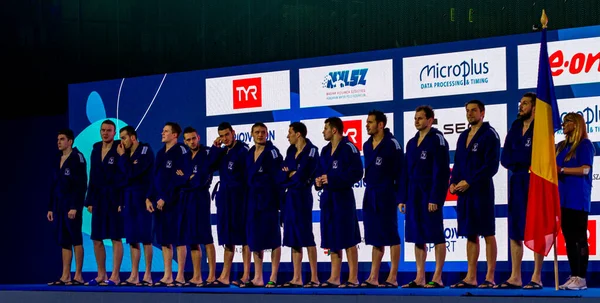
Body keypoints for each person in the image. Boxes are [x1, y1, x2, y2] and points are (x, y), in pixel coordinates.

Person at [449, 100, 500, 289]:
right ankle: (471, 276)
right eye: (467, 111)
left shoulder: (490, 134)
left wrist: (470, 181)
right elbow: (458, 164)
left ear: (482, 113)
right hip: (464, 193)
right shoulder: (463, 136)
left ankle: (490, 276)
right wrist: (453, 182)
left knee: (487, 232)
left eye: (473, 111)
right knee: (470, 234)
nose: (470, 114)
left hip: (481, 190)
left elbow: (491, 166)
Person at [400, 106, 450, 289]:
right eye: (415, 118)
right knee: (417, 236)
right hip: (413, 194)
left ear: (430, 120)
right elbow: (405, 171)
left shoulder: (437, 139)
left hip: (429, 193)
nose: (416, 121)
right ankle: (420, 277)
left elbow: (442, 171)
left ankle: (437, 277)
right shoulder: (411, 143)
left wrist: (436, 198)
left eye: (420, 118)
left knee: (436, 235)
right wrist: (402, 197)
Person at [497, 93, 540, 289]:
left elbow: (539, 157)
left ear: (534, 107)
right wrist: (521, 162)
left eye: (525, 104)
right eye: (520, 103)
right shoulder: (515, 127)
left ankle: (536, 276)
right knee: (515, 230)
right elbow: (505, 157)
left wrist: (523, 161)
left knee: (537, 228)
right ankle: (516, 276)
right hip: (517, 181)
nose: (521, 106)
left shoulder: (540, 128)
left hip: (535, 180)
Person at [315, 117, 363, 288]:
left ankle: (353, 277)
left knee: (348, 238)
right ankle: (335, 277)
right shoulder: (325, 150)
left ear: (334, 130)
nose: (323, 131)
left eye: (326, 128)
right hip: (328, 199)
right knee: (332, 238)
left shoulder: (349, 148)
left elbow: (357, 173)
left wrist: (333, 179)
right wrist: (318, 182)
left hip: (343, 198)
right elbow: (319, 172)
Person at [360, 110, 403, 288]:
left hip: (386, 192)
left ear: (380, 124)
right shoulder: (366, 145)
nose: (366, 125)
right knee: (374, 235)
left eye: (370, 122)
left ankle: (393, 277)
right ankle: (374, 276)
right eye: (366, 122)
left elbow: (401, 172)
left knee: (391, 235)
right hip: (370, 192)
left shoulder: (392, 144)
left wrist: (401, 197)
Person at [145, 122, 190, 287]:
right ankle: (167, 275)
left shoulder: (181, 151)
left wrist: (165, 197)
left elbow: (180, 178)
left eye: (166, 131)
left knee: (178, 238)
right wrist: (149, 197)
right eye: (162, 130)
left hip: (175, 202)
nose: (162, 133)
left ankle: (180, 275)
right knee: (164, 239)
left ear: (174, 135)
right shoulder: (160, 153)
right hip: (159, 203)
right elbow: (155, 178)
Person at [207, 122, 251, 287]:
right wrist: (215, 148)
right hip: (225, 199)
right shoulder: (222, 150)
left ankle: (246, 275)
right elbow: (208, 167)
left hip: (240, 199)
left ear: (233, 133)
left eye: (227, 135)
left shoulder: (243, 150)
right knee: (227, 238)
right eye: (221, 136)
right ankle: (225, 275)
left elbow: (249, 175)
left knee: (244, 238)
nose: (224, 138)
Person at [278, 122, 320, 288]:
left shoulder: (312, 150)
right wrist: (290, 174)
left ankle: (315, 277)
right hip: (290, 197)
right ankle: (297, 277)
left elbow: (303, 176)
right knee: (293, 238)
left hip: (302, 196)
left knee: (307, 237)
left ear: (299, 134)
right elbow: (282, 174)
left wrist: (292, 174)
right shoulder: (290, 151)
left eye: (290, 133)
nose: (287, 136)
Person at [556, 112, 595, 291]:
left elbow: (585, 170)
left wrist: (562, 170)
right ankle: (574, 275)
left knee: (579, 238)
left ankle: (581, 277)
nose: (563, 125)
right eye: (563, 122)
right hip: (562, 199)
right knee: (569, 239)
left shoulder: (585, 145)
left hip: (578, 198)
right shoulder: (562, 146)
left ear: (577, 124)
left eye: (567, 121)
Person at [84, 120, 126, 286]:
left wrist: (121, 200)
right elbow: (92, 175)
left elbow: (124, 175)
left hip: (114, 197)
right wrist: (89, 200)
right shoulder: (95, 149)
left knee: (115, 237)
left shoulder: (119, 147)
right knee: (97, 238)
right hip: (98, 198)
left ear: (114, 132)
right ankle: (101, 274)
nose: (105, 133)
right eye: (103, 130)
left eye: (109, 130)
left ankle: (115, 275)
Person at [241, 123, 283, 288]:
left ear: (267, 134)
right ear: (251, 134)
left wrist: (277, 201)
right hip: (252, 201)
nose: (260, 135)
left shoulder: (272, 152)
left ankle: (273, 276)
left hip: (268, 201)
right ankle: (258, 277)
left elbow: (278, 178)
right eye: (257, 132)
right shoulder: (250, 152)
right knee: (255, 240)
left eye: (263, 132)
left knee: (273, 239)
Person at [47, 129, 87, 286]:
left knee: (76, 239)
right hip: (58, 205)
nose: (59, 142)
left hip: (71, 206)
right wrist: (50, 207)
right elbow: (53, 185)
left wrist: (75, 206)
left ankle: (78, 275)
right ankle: (65, 276)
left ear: (70, 141)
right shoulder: (57, 158)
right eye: (58, 139)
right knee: (64, 241)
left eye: (62, 139)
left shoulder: (78, 158)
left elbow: (81, 185)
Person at [116, 125, 155, 286]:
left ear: (133, 138)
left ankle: (147, 275)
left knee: (145, 238)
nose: (122, 142)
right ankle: (134, 275)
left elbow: (133, 173)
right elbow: (123, 179)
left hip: (142, 198)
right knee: (132, 238)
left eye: (124, 138)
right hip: (128, 198)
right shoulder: (125, 155)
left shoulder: (145, 151)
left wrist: (123, 157)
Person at [179, 127, 217, 287]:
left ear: (198, 137)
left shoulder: (207, 153)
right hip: (187, 199)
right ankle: (196, 276)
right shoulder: (185, 157)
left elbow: (201, 177)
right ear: (184, 141)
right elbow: (181, 179)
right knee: (192, 239)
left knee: (206, 237)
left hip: (201, 197)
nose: (191, 142)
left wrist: (189, 179)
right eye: (188, 140)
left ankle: (212, 276)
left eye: (193, 138)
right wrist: (189, 178)